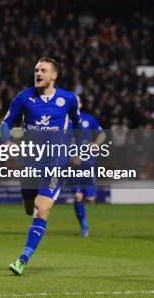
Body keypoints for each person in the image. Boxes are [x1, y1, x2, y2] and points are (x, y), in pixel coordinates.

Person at [0, 57, 82, 276]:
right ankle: (30, 208)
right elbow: (5, 124)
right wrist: (7, 143)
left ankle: (22, 259)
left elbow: (77, 123)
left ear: (53, 75)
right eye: (36, 70)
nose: (38, 73)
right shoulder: (23, 98)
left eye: (43, 70)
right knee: (29, 205)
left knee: (41, 208)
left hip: (56, 162)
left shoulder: (68, 99)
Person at [68, 95, 106, 237]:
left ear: (81, 104)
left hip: (88, 162)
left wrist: (95, 145)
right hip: (71, 164)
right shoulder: (63, 121)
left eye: (76, 100)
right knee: (78, 196)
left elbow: (102, 135)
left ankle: (89, 195)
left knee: (90, 199)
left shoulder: (89, 119)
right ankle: (84, 227)